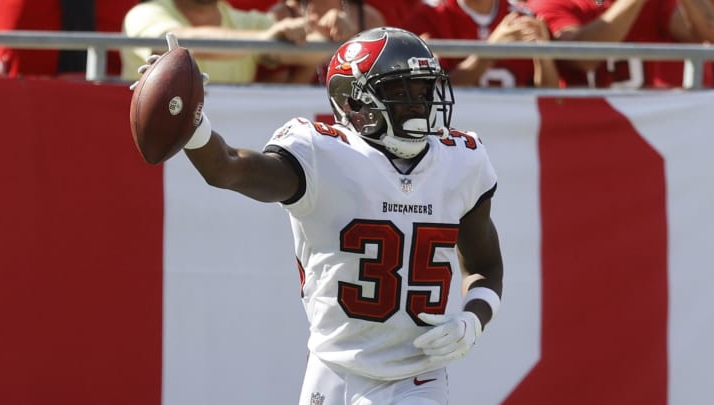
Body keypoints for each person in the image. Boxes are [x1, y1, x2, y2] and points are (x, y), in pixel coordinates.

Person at [137, 27, 504, 404]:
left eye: (423, 91)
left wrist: (473, 318)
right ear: (353, 102)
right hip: (331, 369)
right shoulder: (322, 155)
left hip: (416, 378)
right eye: (400, 92)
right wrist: (191, 122)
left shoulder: (462, 160)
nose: (418, 104)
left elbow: (485, 266)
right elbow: (226, 168)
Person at [528, 0, 714, 88]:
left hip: (658, 124)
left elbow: (708, 32)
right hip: (586, 130)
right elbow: (582, 59)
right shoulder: (550, 2)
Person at [120, 0, 315, 84]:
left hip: (227, 151)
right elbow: (170, 44)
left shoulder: (248, 22)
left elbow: (316, 51)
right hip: (160, 150)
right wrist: (263, 40)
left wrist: (338, 26)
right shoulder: (144, 13)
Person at [401, 0, 560, 88]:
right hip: (456, 134)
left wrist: (543, 56)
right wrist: (492, 50)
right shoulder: (428, 16)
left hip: (515, 133)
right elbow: (438, 95)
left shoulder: (522, 17)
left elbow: (548, 96)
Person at [260, 0, 386, 83]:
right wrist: (321, 42)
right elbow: (280, 100)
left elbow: (379, 84)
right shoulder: (281, 16)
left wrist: (349, 39)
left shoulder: (369, 18)